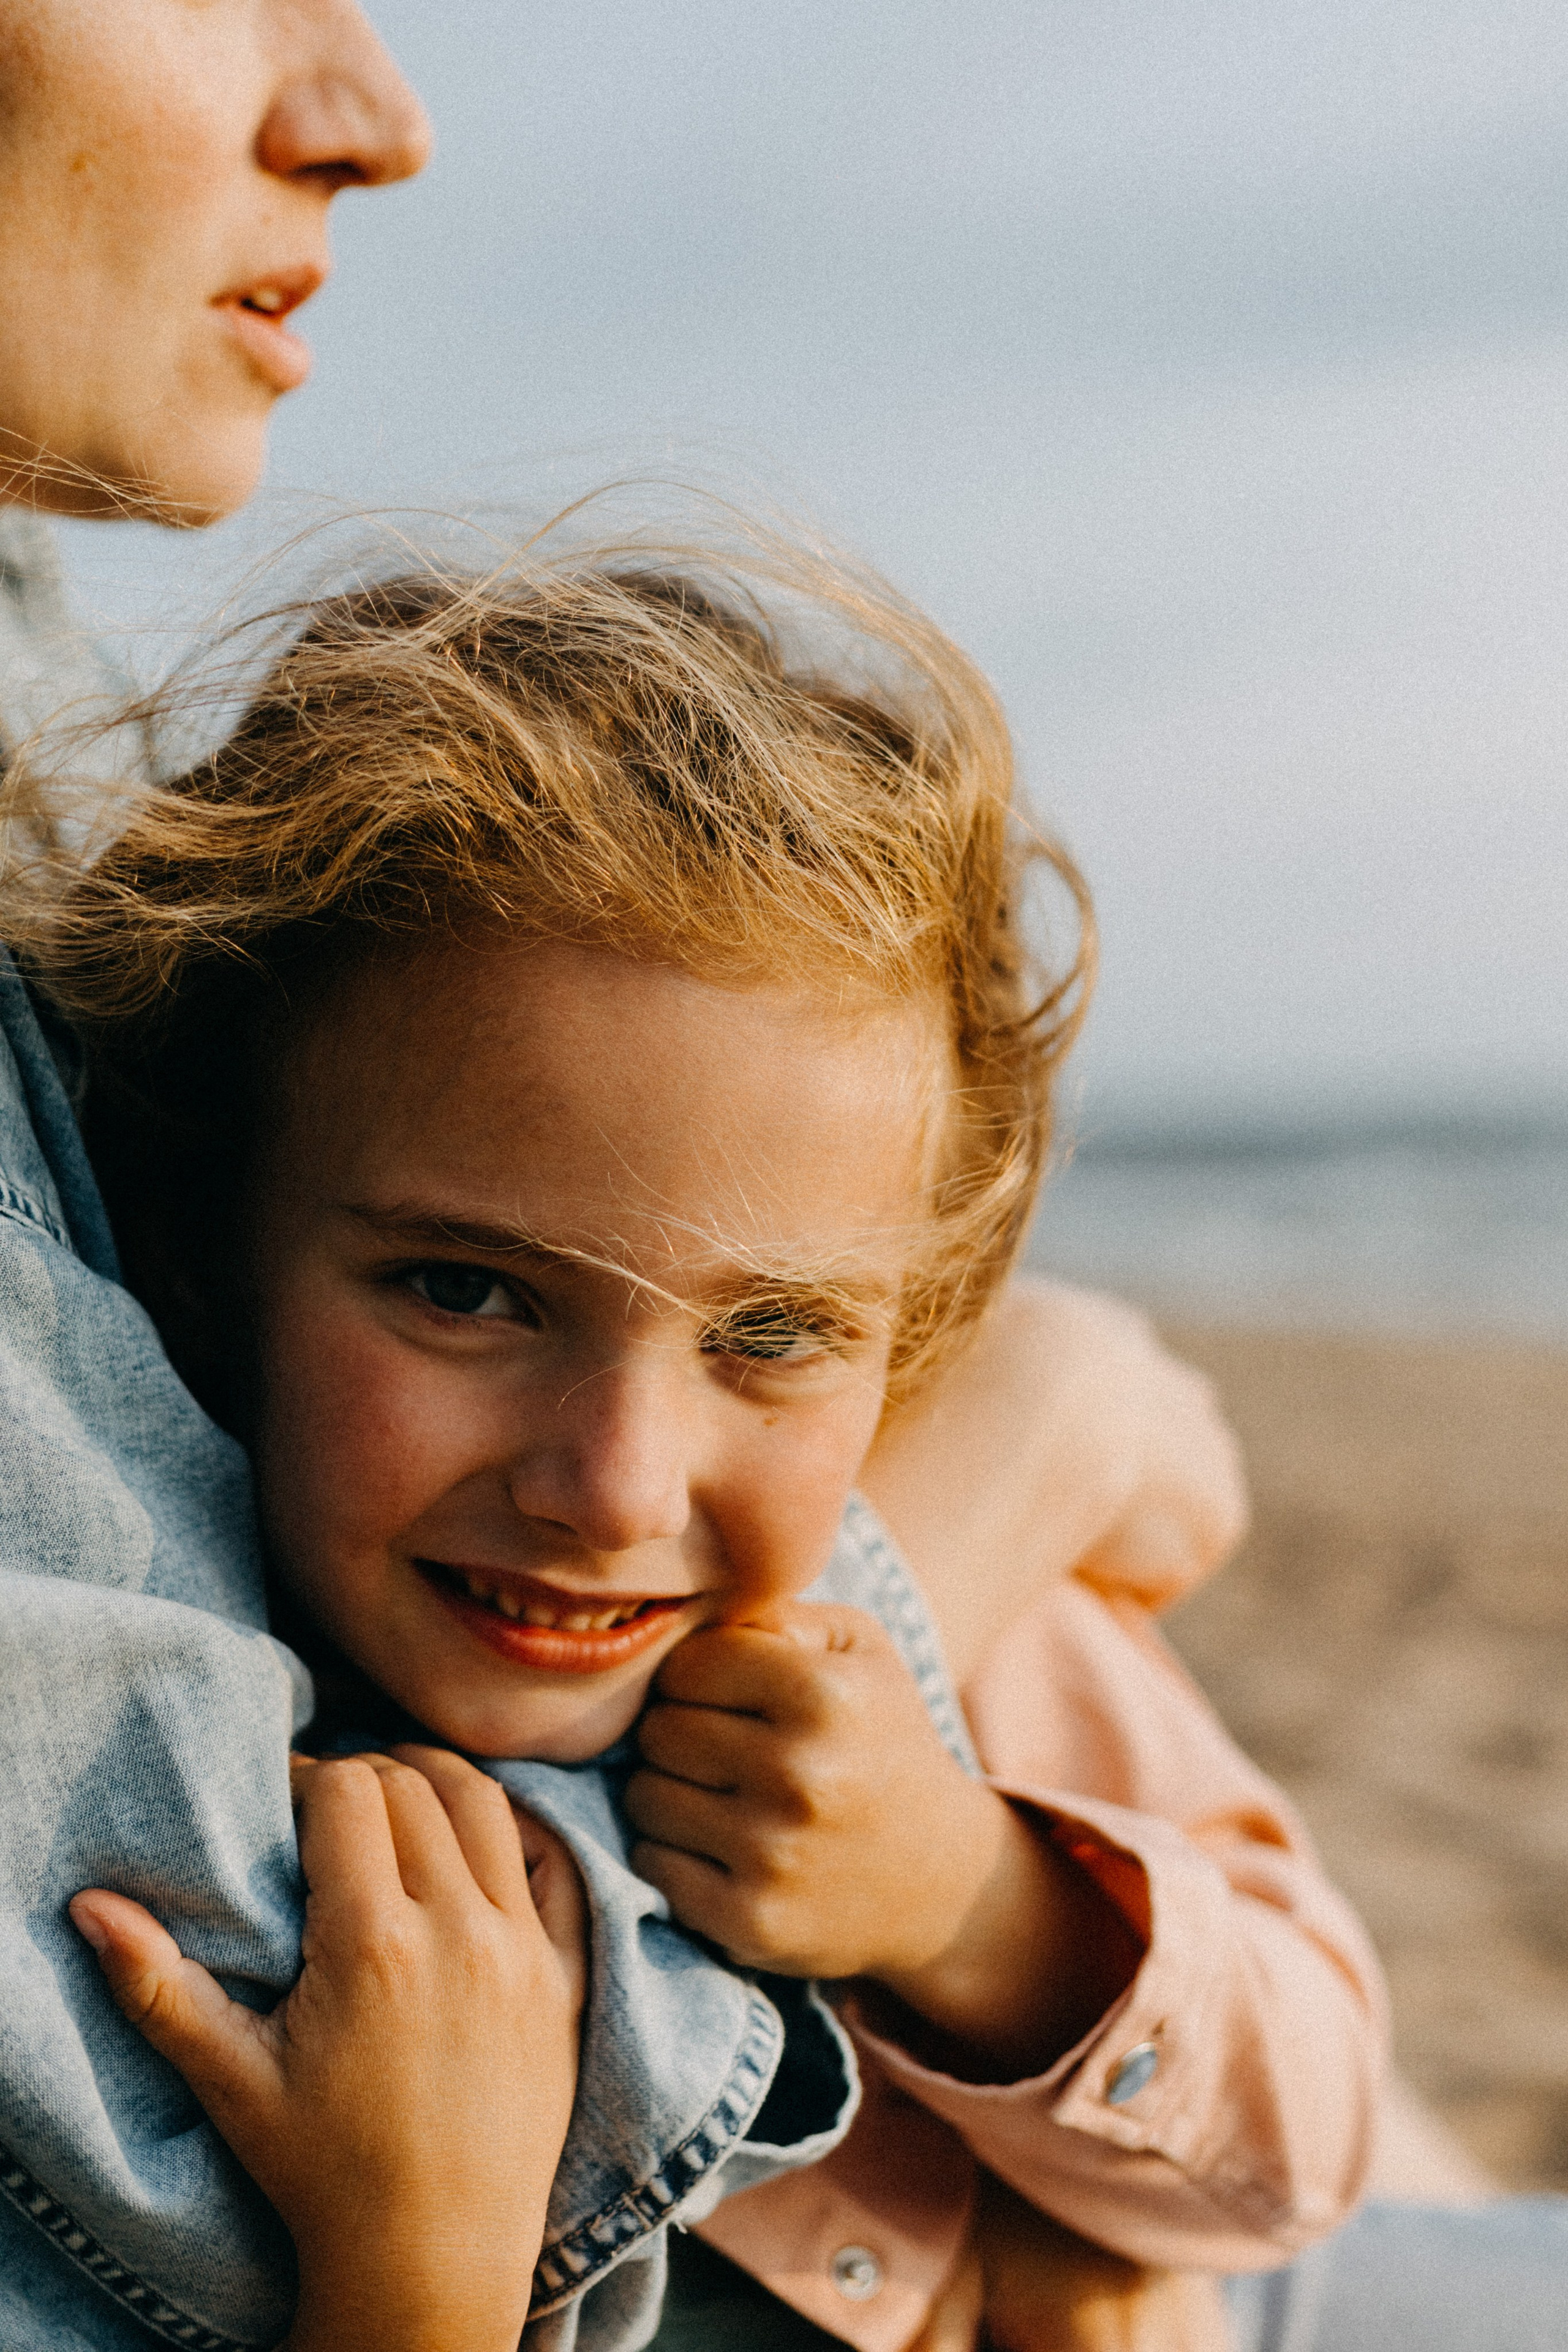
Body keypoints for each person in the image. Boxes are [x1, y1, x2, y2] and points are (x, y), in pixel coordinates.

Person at [0, 541, 1387, 2348]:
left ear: (919, 1331)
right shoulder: (158, 1702)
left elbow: (1303, 2152)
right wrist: (416, 2274)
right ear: (208, 1246)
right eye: (466, 1292)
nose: (620, 1487)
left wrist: (973, 1903)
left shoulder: (914, 1654)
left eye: (773, 1336)